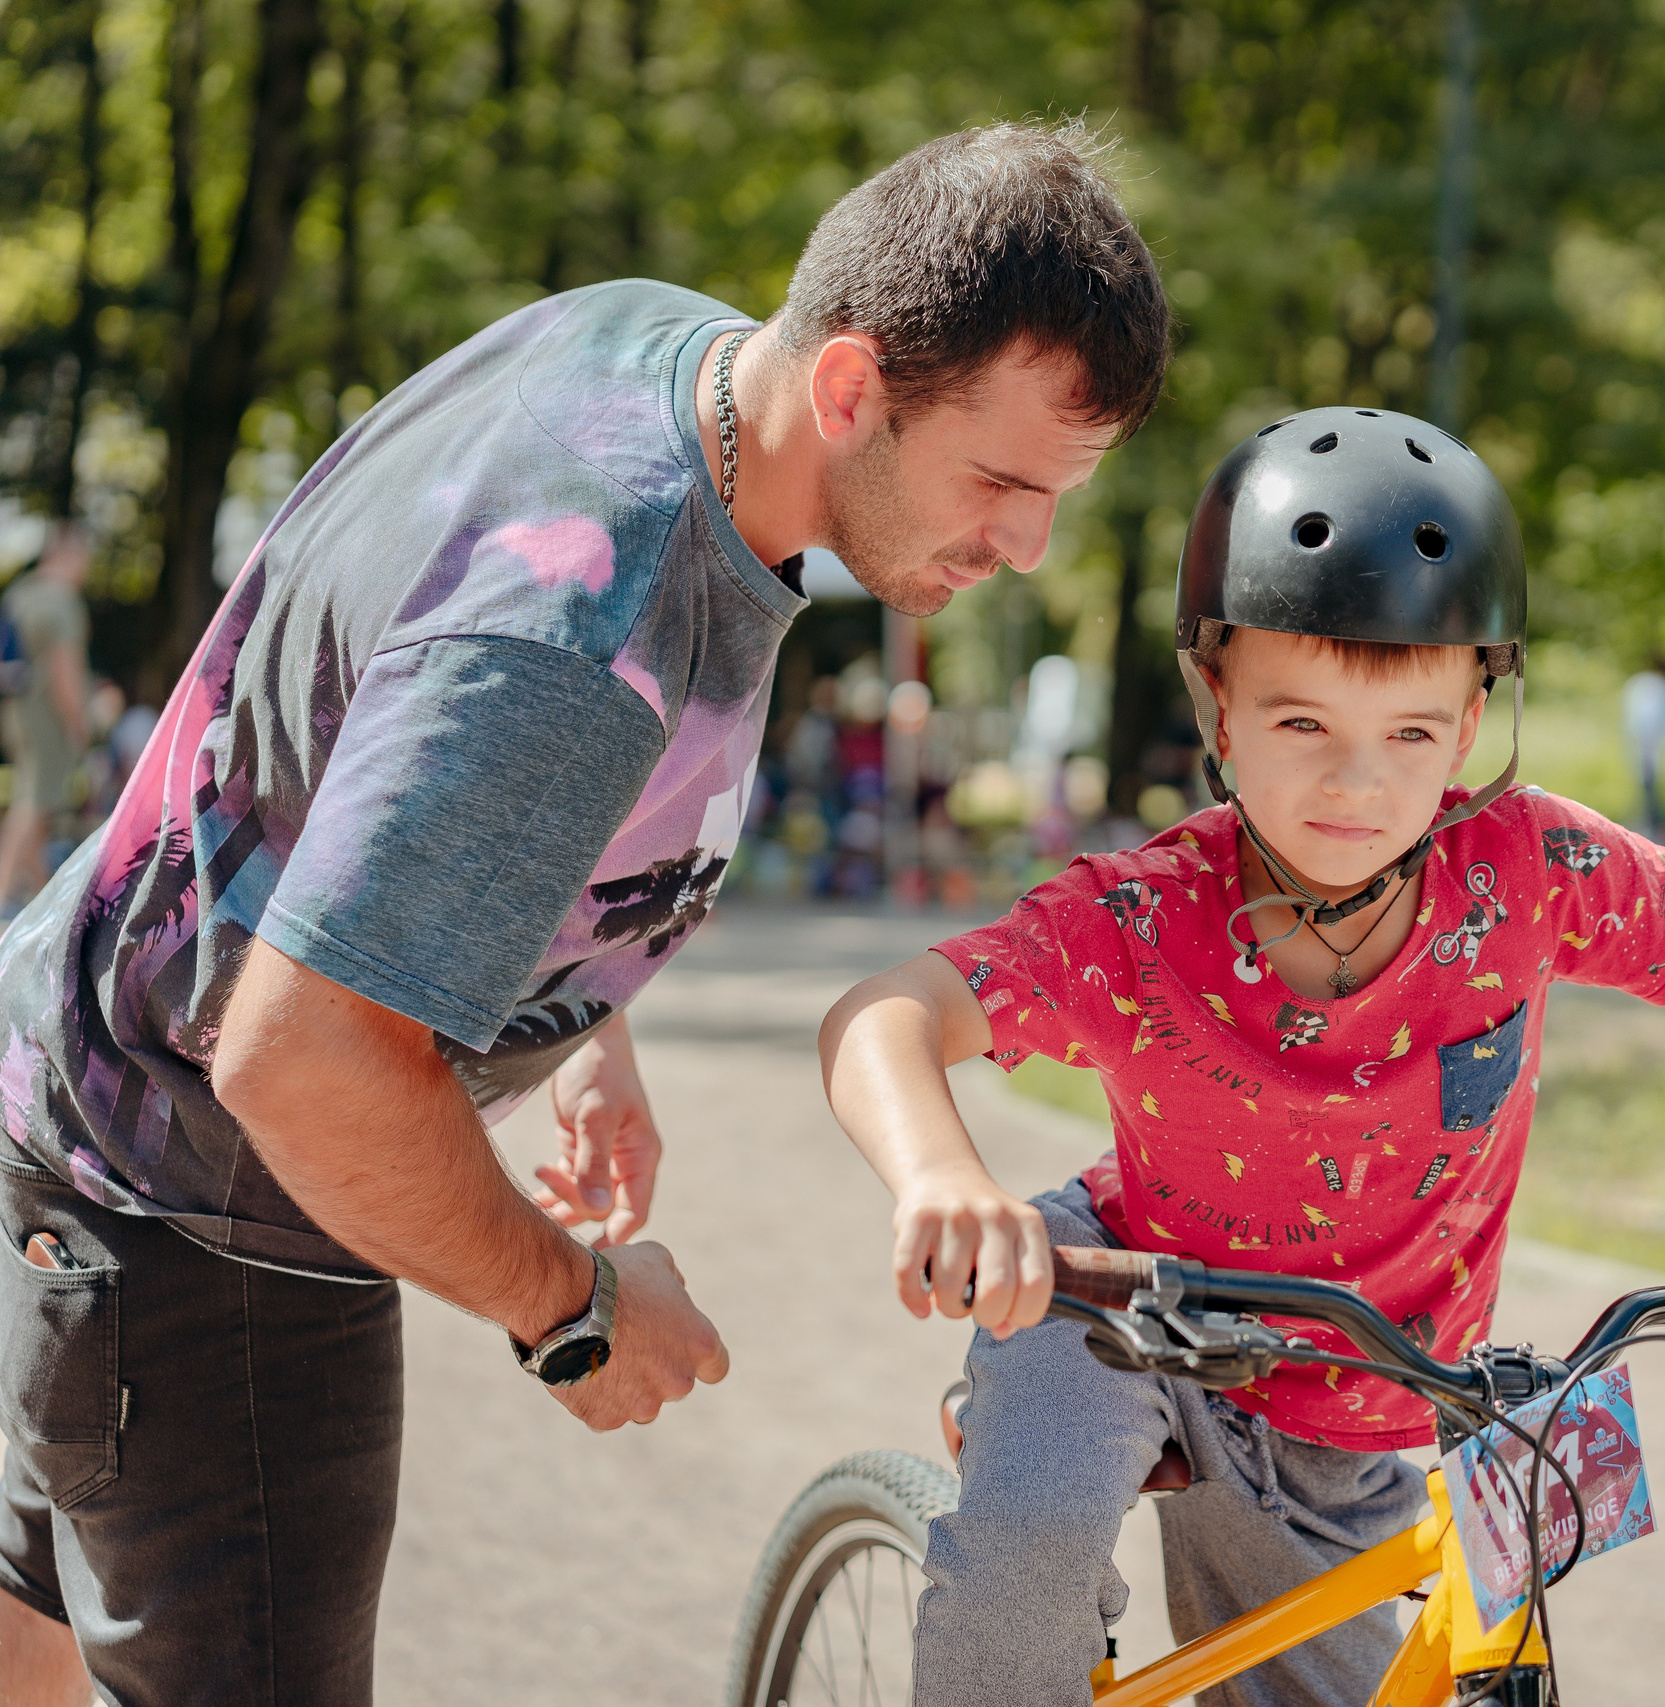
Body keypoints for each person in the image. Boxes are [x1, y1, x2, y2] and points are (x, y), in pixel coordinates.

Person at [0, 121, 1168, 1705]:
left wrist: (577, 1010)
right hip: (203, 1207)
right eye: (1002, 481)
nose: (1028, 547)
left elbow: (411, 739)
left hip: (65, 1078)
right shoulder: (582, 624)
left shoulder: (656, 354)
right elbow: (300, 1059)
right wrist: (572, 1304)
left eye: (1061, 494)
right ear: (847, 387)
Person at [817, 408, 1665, 1707]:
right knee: (1028, 1549)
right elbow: (886, 1012)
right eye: (1302, 723)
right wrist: (943, 1173)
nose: (1359, 785)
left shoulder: (1527, 876)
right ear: (1215, 695)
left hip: (1369, 1402)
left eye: (1411, 733)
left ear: (1476, 712)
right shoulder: (1148, 916)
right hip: (1123, 1311)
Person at [0, 522, 93, 915]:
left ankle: (40, 903)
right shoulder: (60, 601)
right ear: (68, 553)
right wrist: (80, 724)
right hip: (46, 717)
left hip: (15, 712)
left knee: (35, 802)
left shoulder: (21, 593)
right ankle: (4, 893)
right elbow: (64, 671)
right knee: (33, 804)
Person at [1621, 653, 1665, 838]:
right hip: (1649, 753)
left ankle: (1647, 837)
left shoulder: (1640, 684)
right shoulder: (1659, 688)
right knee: (1651, 804)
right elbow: (1650, 723)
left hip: (1639, 751)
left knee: (1647, 800)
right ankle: (1652, 842)